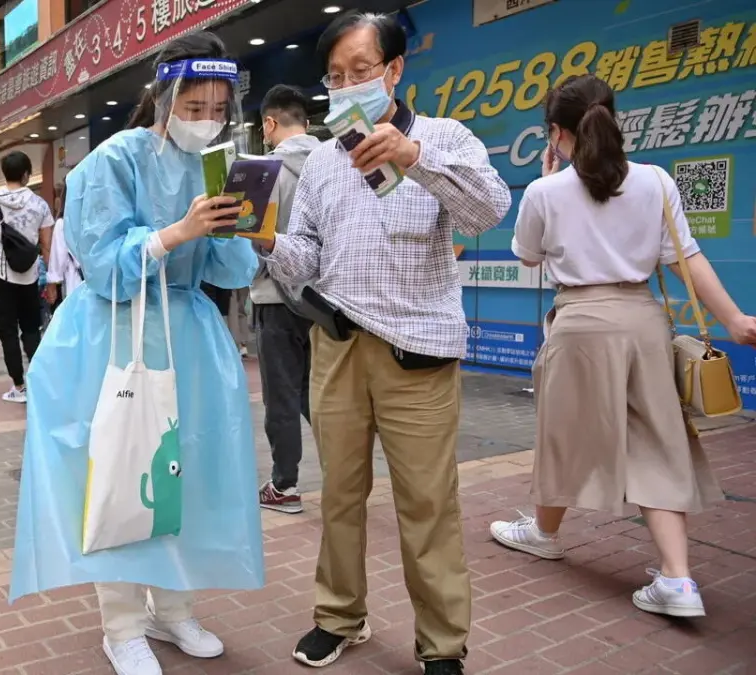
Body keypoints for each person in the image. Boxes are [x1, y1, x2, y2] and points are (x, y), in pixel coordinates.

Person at [261, 12, 511, 673]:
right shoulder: (322, 159)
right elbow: (306, 255)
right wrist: (265, 240)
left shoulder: (444, 136)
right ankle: (338, 615)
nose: (347, 86)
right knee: (339, 495)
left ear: (394, 70)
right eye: (335, 76)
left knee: (427, 502)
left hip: (416, 352)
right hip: (338, 347)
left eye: (360, 71)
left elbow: (488, 210)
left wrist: (414, 158)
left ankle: (443, 644)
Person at [8, 32, 264, 675]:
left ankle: (173, 608)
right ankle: (121, 626)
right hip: (116, 333)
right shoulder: (114, 159)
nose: (206, 121)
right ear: (165, 97)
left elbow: (233, 271)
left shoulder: (219, 163)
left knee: (186, 474)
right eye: (195, 106)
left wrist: (237, 228)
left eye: (218, 109)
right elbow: (103, 266)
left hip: (190, 335)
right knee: (120, 475)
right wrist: (178, 231)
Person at [488, 74, 756, 618]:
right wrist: (732, 318)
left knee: (564, 435)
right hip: (642, 322)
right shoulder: (656, 180)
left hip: (580, 324)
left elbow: (528, 255)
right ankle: (677, 580)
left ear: (556, 132)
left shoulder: (544, 191)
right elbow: (685, 258)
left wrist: (547, 182)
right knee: (656, 440)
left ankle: (544, 533)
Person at [251, 84, 321, 515]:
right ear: (307, 124)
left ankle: (285, 485)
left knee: (281, 395)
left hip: (275, 299)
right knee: (319, 392)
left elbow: (250, 240)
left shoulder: (261, 171)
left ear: (270, 124)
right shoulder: (337, 164)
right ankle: (346, 472)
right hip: (324, 302)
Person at [0, 151, 53, 403]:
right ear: (26, 174)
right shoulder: (40, 205)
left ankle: (18, 387)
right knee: (31, 329)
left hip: (0, 275)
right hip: (30, 276)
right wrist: (51, 280)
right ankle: (39, 384)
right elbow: (47, 246)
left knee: (7, 332)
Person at [45, 191, 83, 313]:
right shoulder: (94, 219)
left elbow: (58, 259)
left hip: (76, 284)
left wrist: (51, 284)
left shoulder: (63, 223)